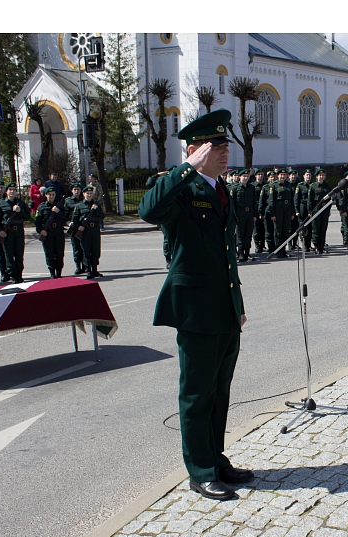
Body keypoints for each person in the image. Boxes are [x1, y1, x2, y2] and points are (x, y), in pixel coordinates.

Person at [138, 109, 250, 502]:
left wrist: (236, 303)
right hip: (195, 310)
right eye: (215, 147)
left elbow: (226, 256)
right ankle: (200, 470)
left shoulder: (221, 189)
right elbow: (148, 210)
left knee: (219, 390)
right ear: (194, 151)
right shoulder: (181, 188)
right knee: (197, 392)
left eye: (225, 146)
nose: (224, 153)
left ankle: (215, 459)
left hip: (222, 307)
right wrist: (185, 167)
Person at [0, 182, 30, 284]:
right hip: (7, 233)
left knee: (19, 254)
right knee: (8, 255)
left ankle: (19, 275)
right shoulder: (1, 203)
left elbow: (27, 217)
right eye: (10, 189)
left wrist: (19, 211)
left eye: (14, 190)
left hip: (19, 232)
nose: (12, 191)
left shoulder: (21, 203)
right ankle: (12, 275)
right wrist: (0, 231)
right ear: (6, 191)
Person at [71, 184, 104, 278]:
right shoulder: (79, 206)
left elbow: (102, 217)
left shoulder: (96, 205)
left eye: (91, 193)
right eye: (87, 193)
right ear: (83, 194)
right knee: (86, 251)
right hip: (85, 231)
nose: (89, 195)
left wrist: (96, 210)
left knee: (96, 250)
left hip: (95, 230)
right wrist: (78, 227)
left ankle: (95, 270)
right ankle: (88, 270)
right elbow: (75, 220)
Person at [34, 186, 67, 278]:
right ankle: (52, 272)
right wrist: (41, 231)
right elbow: (37, 222)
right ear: (46, 195)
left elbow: (65, 218)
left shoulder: (59, 206)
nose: (51, 196)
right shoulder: (42, 207)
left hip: (58, 232)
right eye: (50, 195)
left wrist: (58, 212)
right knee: (50, 254)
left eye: (53, 195)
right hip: (48, 234)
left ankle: (59, 272)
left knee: (59, 253)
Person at [266, 168, 294, 258]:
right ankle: (278, 250)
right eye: (281, 175)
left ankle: (283, 249)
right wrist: (273, 214)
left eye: (284, 175)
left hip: (287, 208)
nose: (282, 176)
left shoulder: (289, 185)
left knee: (285, 230)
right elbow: (271, 200)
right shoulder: (274, 186)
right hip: (278, 208)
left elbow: (292, 200)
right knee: (278, 231)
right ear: (277, 176)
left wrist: (292, 212)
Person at [233, 170, 256, 261]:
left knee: (248, 233)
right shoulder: (235, 188)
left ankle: (247, 252)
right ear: (240, 177)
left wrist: (254, 214)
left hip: (249, 212)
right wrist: (234, 216)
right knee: (240, 233)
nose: (245, 178)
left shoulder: (251, 188)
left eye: (247, 176)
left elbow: (254, 202)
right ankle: (241, 253)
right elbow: (233, 203)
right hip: (240, 213)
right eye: (243, 176)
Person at [64, 183, 87, 275]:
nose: (77, 191)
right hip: (74, 227)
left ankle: (85, 266)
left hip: (83, 226)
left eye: (78, 189)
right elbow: (64, 215)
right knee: (76, 247)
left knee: (85, 247)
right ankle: (78, 266)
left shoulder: (84, 200)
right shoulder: (68, 201)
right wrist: (68, 223)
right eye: (75, 189)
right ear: (72, 191)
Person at [309, 168, 332, 254]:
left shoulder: (327, 186)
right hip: (316, 210)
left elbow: (330, 199)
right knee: (316, 229)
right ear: (317, 176)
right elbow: (310, 200)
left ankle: (322, 246)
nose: (322, 177)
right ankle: (316, 246)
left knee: (323, 228)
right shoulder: (313, 186)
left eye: (323, 175)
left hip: (325, 210)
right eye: (320, 175)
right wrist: (310, 211)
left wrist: (329, 210)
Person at [293, 169, 314, 252]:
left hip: (311, 208)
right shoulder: (300, 186)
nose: (308, 176)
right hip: (303, 207)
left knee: (310, 227)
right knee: (303, 227)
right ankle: (304, 245)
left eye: (309, 175)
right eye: (307, 175)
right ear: (304, 176)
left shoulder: (312, 185)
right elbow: (296, 199)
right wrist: (297, 210)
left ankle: (309, 245)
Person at [251, 168, 266, 253]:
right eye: (259, 174)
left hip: (263, 209)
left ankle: (262, 245)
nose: (260, 176)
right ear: (256, 176)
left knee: (263, 228)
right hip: (256, 209)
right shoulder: (253, 186)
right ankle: (257, 245)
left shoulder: (265, 185)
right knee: (256, 228)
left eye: (262, 174)